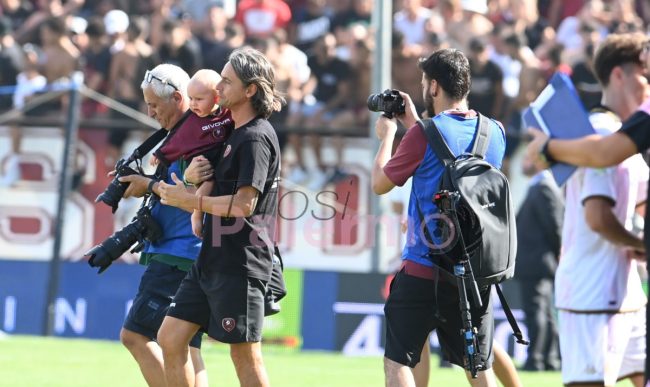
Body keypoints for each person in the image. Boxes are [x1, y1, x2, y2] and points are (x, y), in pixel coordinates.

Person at [371, 48, 507, 387]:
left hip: (424, 266)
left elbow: (380, 184)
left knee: (397, 360)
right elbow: (453, 160)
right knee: (477, 365)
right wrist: (417, 124)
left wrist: (388, 135)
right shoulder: (495, 132)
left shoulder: (423, 134)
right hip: (473, 272)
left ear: (433, 87)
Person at [156, 47, 284, 387]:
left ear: (250, 90)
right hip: (213, 257)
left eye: (226, 82)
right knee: (170, 337)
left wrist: (189, 201)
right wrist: (196, 189)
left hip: (239, 262)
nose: (219, 89)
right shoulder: (233, 134)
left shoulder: (256, 137)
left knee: (244, 355)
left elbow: (245, 205)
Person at [530, 33, 648, 387]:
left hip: (626, 294)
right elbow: (597, 216)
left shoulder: (624, 140)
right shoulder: (595, 133)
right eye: (644, 72)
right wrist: (641, 244)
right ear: (618, 75)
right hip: (591, 293)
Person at [115, 63, 231, 387]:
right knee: (187, 348)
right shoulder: (189, 135)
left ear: (179, 98)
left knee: (136, 335)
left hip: (179, 253)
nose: (150, 112)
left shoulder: (196, 138)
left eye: (154, 104)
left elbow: (191, 191)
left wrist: (148, 186)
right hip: (188, 252)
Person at [515, 154, 563, 372]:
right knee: (543, 312)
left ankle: (536, 359)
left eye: (529, 158)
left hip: (537, 262)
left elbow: (555, 227)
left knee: (537, 312)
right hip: (539, 261)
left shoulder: (544, 187)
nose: (524, 162)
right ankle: (549, 358)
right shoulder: (540, 185)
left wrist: (557, 254)